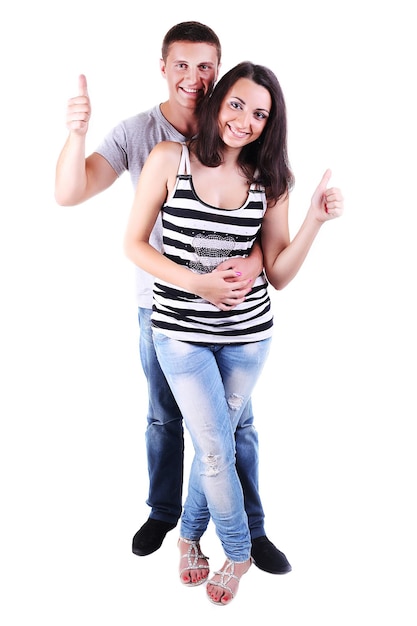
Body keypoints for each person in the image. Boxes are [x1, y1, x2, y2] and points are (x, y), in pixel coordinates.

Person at [54, 21, 292, 575]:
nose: (194, 76)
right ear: (162, 67)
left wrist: (255, 263)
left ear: (220, 68)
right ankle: (166, 516)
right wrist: (75, 133)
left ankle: (250, 529)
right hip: (160, 305)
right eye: (181, 64)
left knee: (238, 426)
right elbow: (70, 192)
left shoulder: (244, 128)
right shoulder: (142, 136)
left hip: (233, 313)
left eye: (205, 65)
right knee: (165, 417)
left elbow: (262, 227)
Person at [123, 61, 344, 605]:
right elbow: (134, 244)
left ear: (272, 124)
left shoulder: (271, 181)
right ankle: (240, 551)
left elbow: (279, 273)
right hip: (178, 331)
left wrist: (313, 220)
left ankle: (189, 539)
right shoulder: (167, 159)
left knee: (213, 443)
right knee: (217, 447)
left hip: (249, 336)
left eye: (260, 114)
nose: (245, 121)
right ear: (219, 102)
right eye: (237, 105)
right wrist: (199, 284)